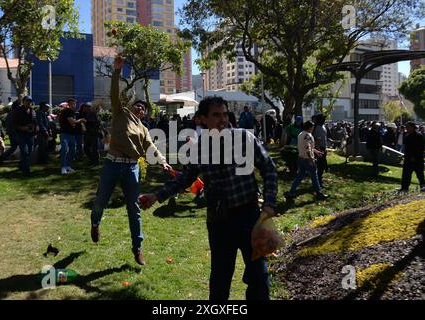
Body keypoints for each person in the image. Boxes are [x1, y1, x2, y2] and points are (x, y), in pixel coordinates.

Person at [140, 96, 278, 300]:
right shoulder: (198, 147)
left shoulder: (244, 138)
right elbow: (185, 179)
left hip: (250, 217)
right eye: (216, 115)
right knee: (220, 280)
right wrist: (156, 196)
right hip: (219, 222)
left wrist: (268, 205)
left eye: (224, 114)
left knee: (259, 277)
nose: (222, 119)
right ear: (202, 119)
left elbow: (269, 170)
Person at [90, 56, 171, 266]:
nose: (141, 109)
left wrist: (162, 160)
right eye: (138, 106)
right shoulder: (120, 113)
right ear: (131, 106)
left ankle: (138, 247)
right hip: (112, 163)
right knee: (101, 200)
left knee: (133, 209)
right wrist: (117, 71)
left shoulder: (144, 129)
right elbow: (114, 94)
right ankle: (95, 223)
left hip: (131, 168)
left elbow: (150, 147)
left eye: (144, 108)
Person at [284, 120, 329, 201]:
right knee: (314, 177)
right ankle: (319, 193)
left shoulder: (301, 134)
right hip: (307, 159)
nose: (313, 129)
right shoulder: (307, 135)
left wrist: (316, 151)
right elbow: (308, 149)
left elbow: (308, 147)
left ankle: (291, 193)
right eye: (312, 127)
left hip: (300, 158)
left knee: (299, 177)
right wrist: (311, 160)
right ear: (309, 127)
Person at [59, 99, 86, 174]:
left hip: (71, 134)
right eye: (72, 104)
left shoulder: (71, 112)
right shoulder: (68, 111)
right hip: (65, 133)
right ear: (68, 104)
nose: (74, 105)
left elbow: (73, 123)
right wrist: (81, 120)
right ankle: (63, 167)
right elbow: (72, 122)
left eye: (74, 104)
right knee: (65, 150)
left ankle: (68, 165)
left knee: (72, 150)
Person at [14, 96, 38, 176]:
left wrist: (35, 129)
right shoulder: (18, 110)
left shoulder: (32, 110)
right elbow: (13, 123)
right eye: (27, 101)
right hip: (21, 134)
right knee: (24, 151)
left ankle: (21, 164)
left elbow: (35, 121)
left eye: (30, 101)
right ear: (23, 101)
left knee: (30, 150)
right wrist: (21, 127)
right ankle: (26, 170)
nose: (29, 103)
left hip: (30, 134)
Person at [400, 122, 425, 192]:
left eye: (407, 127)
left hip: (417, 159)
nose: (406, 128)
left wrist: (414, 156)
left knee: (420, 174)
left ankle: (423, 186)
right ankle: (404, 188)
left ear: (412, 127)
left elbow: (421, 148)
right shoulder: (407, 136)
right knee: (406, 174)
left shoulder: (419, 136)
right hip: (408, 158)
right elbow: (407, 148)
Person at [0, 100, 20, 164]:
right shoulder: (14, 113)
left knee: (13, 147)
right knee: (21, 145)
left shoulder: (10, 113)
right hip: (15, 132)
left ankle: (2, 157)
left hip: (11, 132)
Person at [312, 114, 328, 188]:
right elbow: (316, 139)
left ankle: (319, 179)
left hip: (324, 148)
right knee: (320, 165)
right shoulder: (317, 127)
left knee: (322, 165)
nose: (324, 120)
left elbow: (324, 137)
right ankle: (318, 181)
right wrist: (318, 150)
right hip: (319, 149)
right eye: (323, 119)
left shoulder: (323, 126)